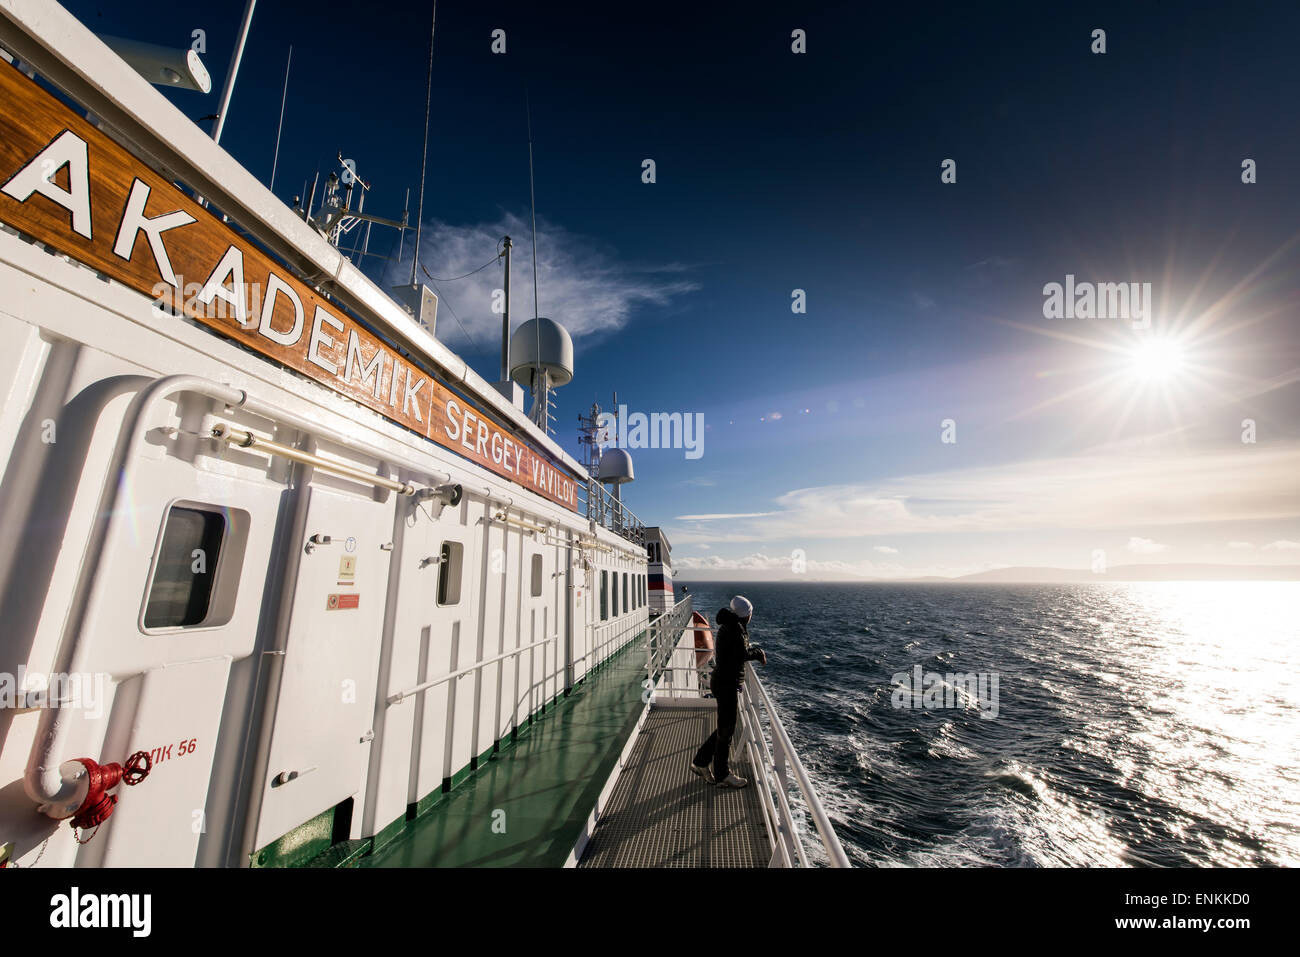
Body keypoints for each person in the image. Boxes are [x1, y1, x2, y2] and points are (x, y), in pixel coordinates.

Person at [690, 595, 766, 787]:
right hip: (726, 684)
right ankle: (722, 774)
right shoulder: (735, 629)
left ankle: (700, 762)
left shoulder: (729, 625)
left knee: (725, 727)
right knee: (726, 730)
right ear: (746, 615)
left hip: (722, 681)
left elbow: (737, 653)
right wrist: (757, 653)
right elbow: (742, 654)